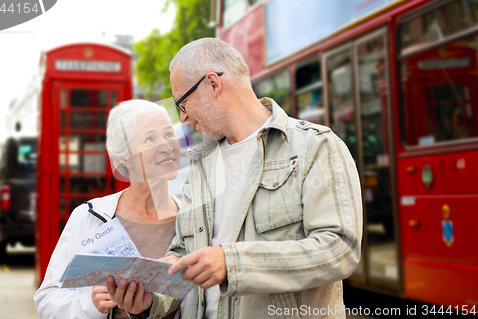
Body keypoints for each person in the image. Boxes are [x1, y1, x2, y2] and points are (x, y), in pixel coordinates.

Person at [109, 38, 363, 319]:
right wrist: (149, 300)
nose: (183, 119)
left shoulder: (315, 147)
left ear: (213, 84)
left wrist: (233, 263)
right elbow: (184, 253)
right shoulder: (200, 163)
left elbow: (339, 248)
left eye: (182, 103)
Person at [34, 100, 182, 319]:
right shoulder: (89, 217)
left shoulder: (192, 220)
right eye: (150, 138)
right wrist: (91, 304)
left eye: (169, 134)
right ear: (125, 157)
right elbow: (47, 300)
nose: (166, 146)